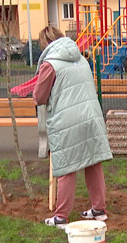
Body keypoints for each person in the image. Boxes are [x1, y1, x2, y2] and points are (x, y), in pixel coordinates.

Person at [33, 26, 113, 229]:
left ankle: (61, 216)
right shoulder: (81, 58)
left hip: (67, 119)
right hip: (91, 115)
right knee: (93, 162)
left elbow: (39, 97)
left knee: (66, 167)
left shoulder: (50, 64)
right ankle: (99, 210)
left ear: (45, 44)